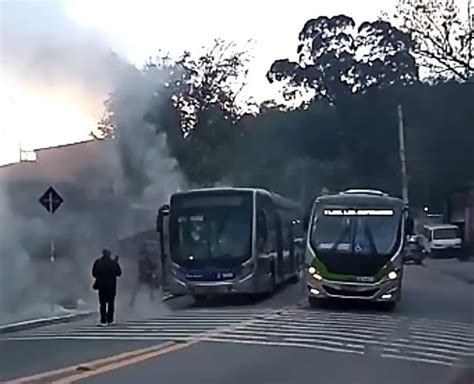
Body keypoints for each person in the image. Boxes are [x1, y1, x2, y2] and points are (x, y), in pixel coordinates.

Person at [92, 248, 122, 326]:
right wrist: (116, 263)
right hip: (111, 286)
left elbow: (94, 274)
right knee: (111, 303)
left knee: (102, 304)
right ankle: (110, 319)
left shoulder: (98, 262)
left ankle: (103, 320)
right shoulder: (113, 263)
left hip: (101, 286)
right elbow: (119, 273)